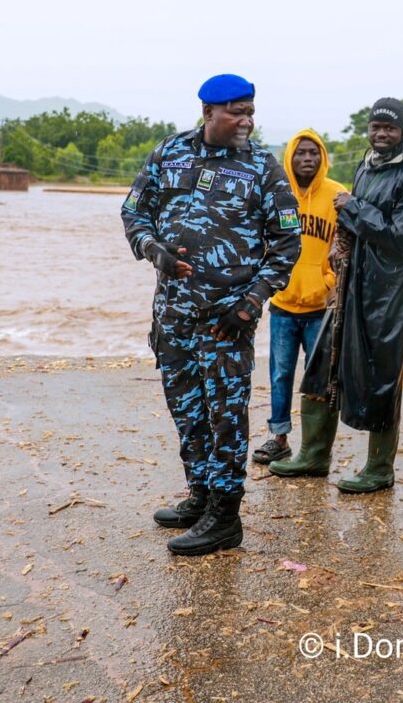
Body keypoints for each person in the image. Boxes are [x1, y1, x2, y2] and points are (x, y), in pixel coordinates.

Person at [121, 74, 300, 556]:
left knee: (225, 415)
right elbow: (133, 212)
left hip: (227, 320)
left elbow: (288, 241)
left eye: (251, 112)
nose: (246, 121)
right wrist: (152, 248)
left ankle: (225, 515)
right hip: (173, 315)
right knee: (187, 410)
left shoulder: (262, 165)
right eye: (236, 112)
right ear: (208, 113)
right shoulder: (169, 153)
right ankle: (200, 496)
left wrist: (251, 302)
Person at [272, 97, 403, 492]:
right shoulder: (366, 166)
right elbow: (350, 223)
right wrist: (343, 236)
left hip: (385, 296)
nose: (382, 134)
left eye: (390, 128)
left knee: (381, 378)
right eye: (376, 127)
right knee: (322, 364)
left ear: (402, 132)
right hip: (347, 286)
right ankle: (314, 454)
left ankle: (379, 468)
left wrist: (354, 207)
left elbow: (402, 239)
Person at [252, 130, 344, 466]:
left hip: (321, 307)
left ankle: (313, 445)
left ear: (322, 157)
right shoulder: (277, 192)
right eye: (301, 153)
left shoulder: (337, 195)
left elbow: (344, 245)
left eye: (314, 153)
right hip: (283, 305)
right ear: (289, 156)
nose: (308, 159)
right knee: (280, 374)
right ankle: (279, 436)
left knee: (318, 377)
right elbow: (262, 240)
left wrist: (329, 282)